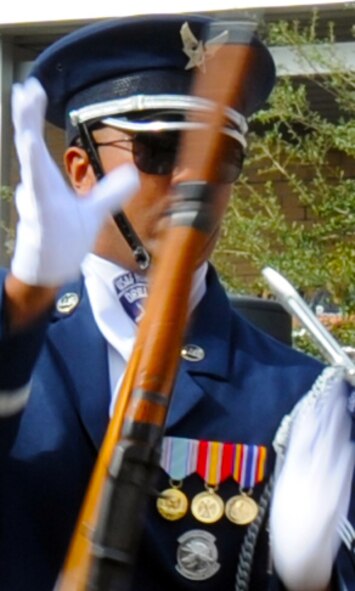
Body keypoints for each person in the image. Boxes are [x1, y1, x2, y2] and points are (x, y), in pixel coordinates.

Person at [0, 14, 352, 591]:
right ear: (82, 169)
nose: (195, 182)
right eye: (160, 150)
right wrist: (24, 300)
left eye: (220, 160)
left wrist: (313, 581)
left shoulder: (296, 395)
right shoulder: (16, 333)